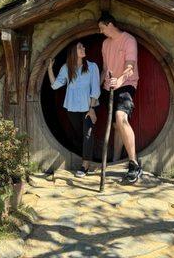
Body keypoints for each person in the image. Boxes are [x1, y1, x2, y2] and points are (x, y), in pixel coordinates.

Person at [98, 12, 142, 183]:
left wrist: (120, 80)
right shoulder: (105, 44)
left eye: (102, 28)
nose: (101, 31)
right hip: (109, 87)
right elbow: (104, 69)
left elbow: (130, 67)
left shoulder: (128, 40)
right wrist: (97, 91)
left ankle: (134, 164)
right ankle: (116, 161)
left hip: (126, 85)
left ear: (110, 25)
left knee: (120, 117)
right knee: (116, 125)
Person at [48, 41, 101, 177]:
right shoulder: (66, 68)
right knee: (80, 134)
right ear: (73, 51)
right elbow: (55, 85)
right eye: (79, 47)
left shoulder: (92, 67)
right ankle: (87, 157)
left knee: (87, 134)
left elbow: (95, 89)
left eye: (83, 46)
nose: (83, 48)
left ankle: (85, 166)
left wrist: (92, 108)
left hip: (88, 107)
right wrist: (49, 69)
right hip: (72, 108)